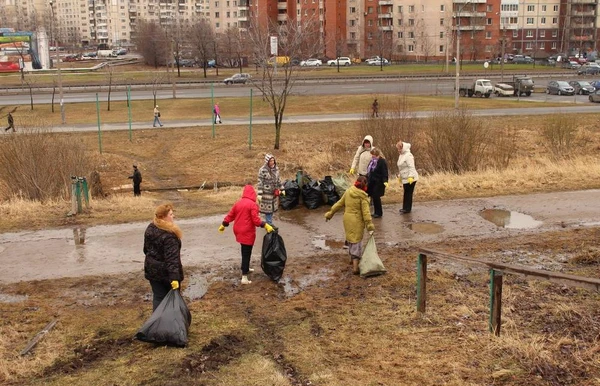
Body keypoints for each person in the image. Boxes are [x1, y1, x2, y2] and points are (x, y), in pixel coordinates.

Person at [219, 185, 274, 285]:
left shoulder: (238, 203)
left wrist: (224, 224)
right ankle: (244, 276)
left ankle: (246, 267)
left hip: (238, 230)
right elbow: (256, 220)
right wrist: (265, 225)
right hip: (247, 231)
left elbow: (230, 215)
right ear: (253, 194)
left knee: (244, 250)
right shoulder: (252, 205)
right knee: (246, 253)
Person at [324, 176, 375, 275]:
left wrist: (330, 214)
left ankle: (351, 260)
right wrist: (370, 225)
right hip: (357, 221)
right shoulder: (363, 196)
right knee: (357, 241)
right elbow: (366, 213)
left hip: (347, 220)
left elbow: (339, 203)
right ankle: (356, 267)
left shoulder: (348, 191)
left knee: (351, 238)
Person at [143, 203, 183, 311]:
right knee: (172, 300)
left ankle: (157, 323)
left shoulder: (150, 228)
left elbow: (146, 250)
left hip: (152, 271)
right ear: (163, 217)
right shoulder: (170, 236)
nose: (173, 216)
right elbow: (172, 259)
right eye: (170, 214)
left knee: (158, 297)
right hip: (166, 274)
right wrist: (174, 278)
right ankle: (172, 323)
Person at [257, 153, 285, 227]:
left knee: (272, 209)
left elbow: (278, 179)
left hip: (274, 193)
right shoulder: (262, 170)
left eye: (273, 160)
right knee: (268, 210)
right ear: (267, 161)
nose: (272, 162)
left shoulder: (276, 169)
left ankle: (268, 222)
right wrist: (260, 193)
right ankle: (269, 224)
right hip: (266, 193)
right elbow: (260, 182)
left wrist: (282, 188)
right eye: (270, 161)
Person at [396, 140, 419, 214]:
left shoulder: (408, 155)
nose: (398, 150)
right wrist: (400, 176)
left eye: (399, 148)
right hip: (405, 177)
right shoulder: (401, 155)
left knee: (409, 193)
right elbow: (401, 167)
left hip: (411, 177)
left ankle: (407, 208)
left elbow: (411, 167)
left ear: (403, 148)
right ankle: (404, 207)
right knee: (406, 192)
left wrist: (411, 177)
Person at [366, 148, 388, 218]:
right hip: (372, 182)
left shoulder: (382, 161)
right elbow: (370, 171)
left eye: (373, 155)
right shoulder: (372, 161)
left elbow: (385, 172)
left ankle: (379, 212)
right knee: (373, 196)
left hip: (379, 182)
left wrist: (385, 181)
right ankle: (376, 212)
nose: (372, 156)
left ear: (377, 155)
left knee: (376, 196)